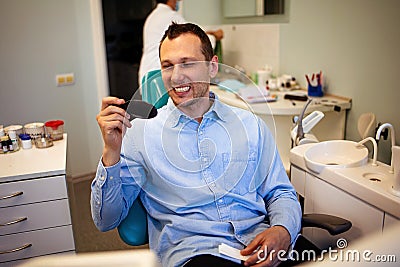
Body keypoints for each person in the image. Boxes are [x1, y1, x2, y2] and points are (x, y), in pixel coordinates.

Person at [92, 22, 302, 267]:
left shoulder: (250, 125)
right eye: (167, 66)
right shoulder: (141, 135)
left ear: (212, 67)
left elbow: (280, 192)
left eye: (188, 63)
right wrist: (111, 152)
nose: (177, 75)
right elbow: (105, 220)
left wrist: (282, 230)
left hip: (262, 244)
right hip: (197, 254)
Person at [138, 0, 223, 86]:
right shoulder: (171, 16)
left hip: (148, 75)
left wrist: (211, 34)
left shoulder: (154, 16)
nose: (178, 1)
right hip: (159, 78)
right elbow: (195, 41)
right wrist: (214, 37)